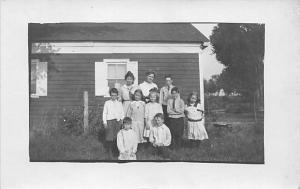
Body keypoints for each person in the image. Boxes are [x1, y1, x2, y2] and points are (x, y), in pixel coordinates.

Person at [102, 88, 124, 158]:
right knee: (109, 137)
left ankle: (116, 152)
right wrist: (105, 122)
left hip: (117, 121)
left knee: (117, 137)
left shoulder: (119, 103)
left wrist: (122, 120)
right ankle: (109, 152)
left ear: (117, 95)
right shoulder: (107, 103)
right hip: (110, 121)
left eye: (115, 95)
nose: (113, 97)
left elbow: (122, 113)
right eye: (112, 95)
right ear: (110, 95)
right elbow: (104, 113)